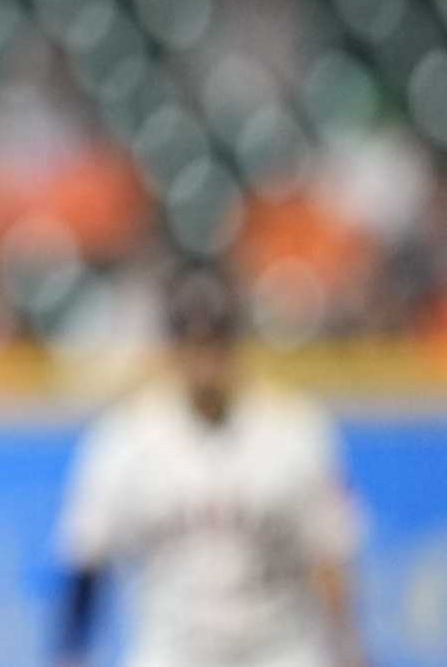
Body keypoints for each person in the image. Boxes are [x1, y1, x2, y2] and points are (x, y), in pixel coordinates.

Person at [53, 263, 368, 667]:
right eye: (191, 339)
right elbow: (86, 560)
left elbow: (330, 555)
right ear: (171, 345)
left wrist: (351, 651)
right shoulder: (122, 440)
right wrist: (68, 656)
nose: (204, 356)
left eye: (216, 338)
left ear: (236, 341)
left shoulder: (297, 431)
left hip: (280, 652)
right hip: (172, 652)